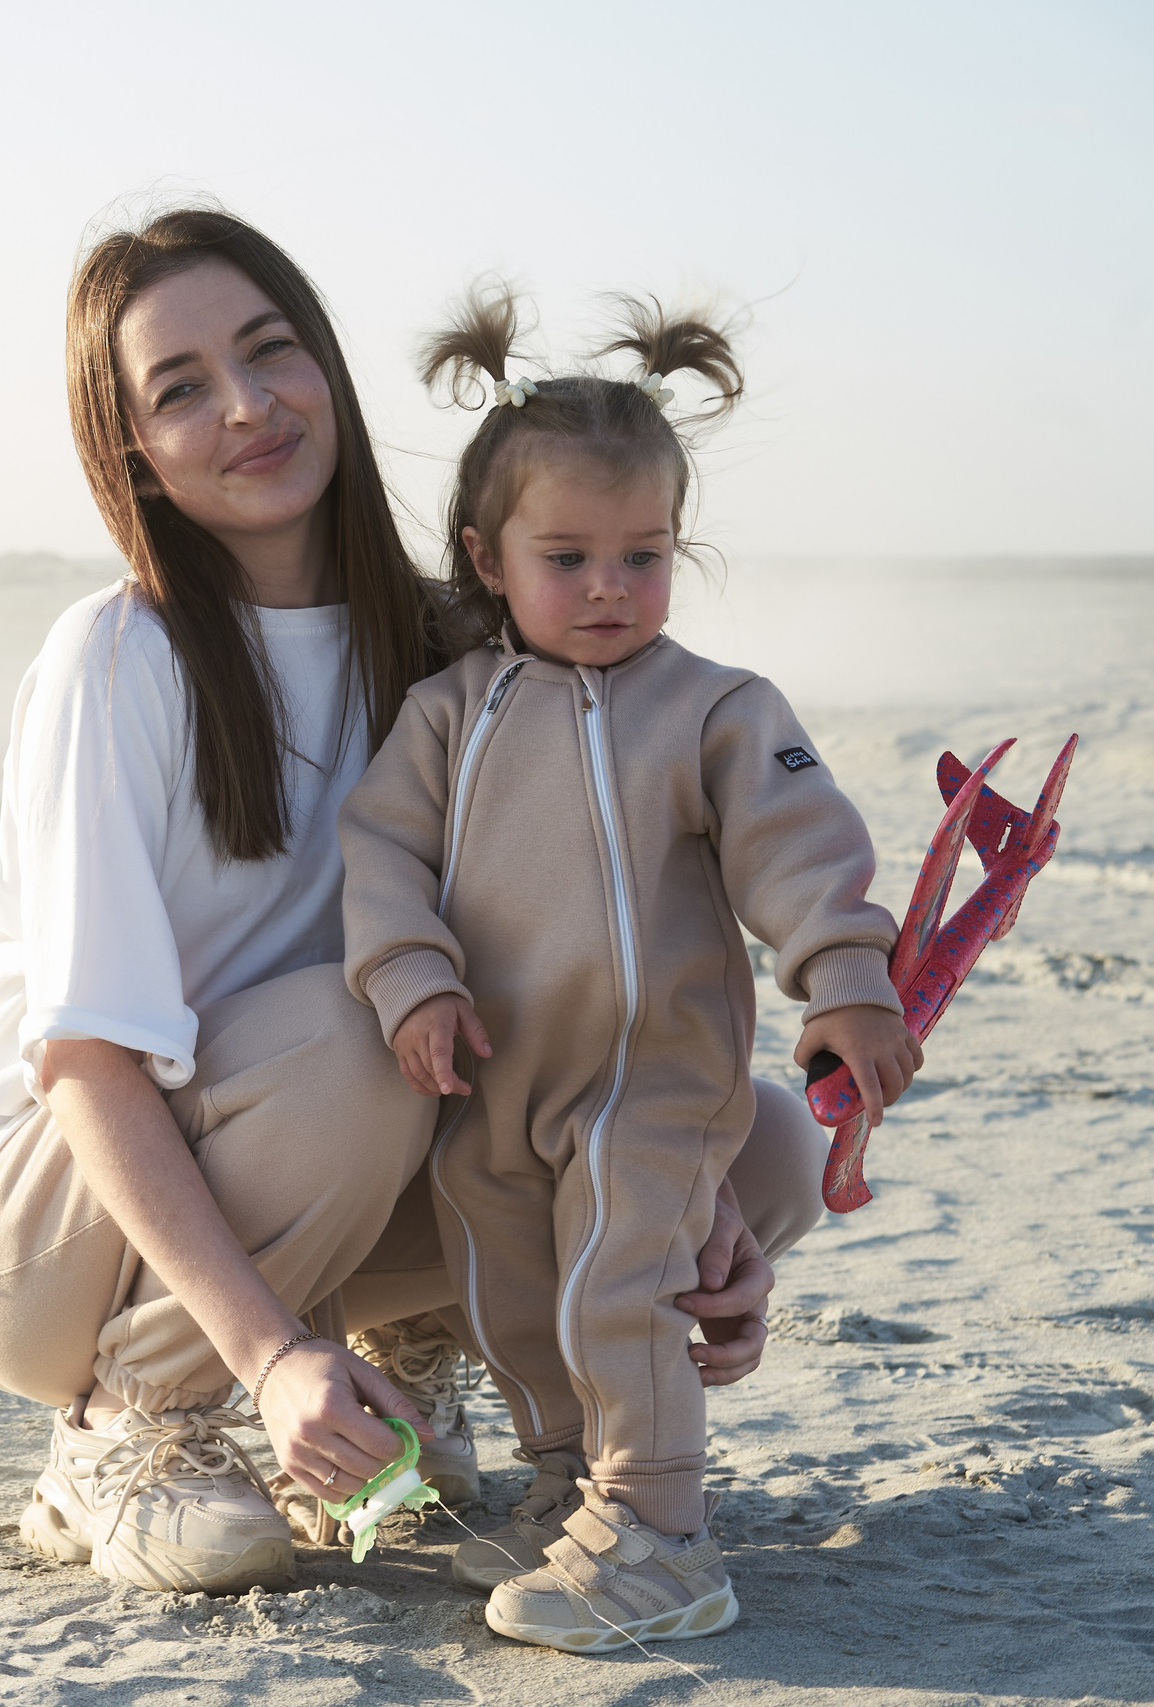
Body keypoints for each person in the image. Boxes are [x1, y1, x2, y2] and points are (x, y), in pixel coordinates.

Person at [0, 208, 829, 1599]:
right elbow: (87, 1065)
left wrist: (692, 1197)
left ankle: (402, 1364)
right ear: (129, 446)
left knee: (765, 1138)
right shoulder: (118, 658)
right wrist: (266, 1356)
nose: (250, 406)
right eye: (182, 388)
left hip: (321, 1163)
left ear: (328, 364)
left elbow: (579, 970)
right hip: (40, 1236)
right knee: (359, 1026)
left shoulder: (456, 646)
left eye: (273, 353)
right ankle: (133, 1426)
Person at [338, 285, 920, 1650]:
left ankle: (660, 1530)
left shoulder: (717, 708)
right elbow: (380, 863)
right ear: (489, 556)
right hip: (490, 1082)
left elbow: (802, 845)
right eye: (570, 555)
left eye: (645, 553)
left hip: (648, 1083)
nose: (611, 585)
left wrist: (842, 970)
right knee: (510, 1296)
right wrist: (413, 980)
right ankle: (571, 1486)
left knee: (620, 1286)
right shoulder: (442, 717)